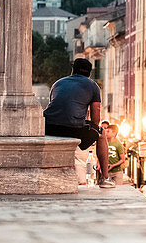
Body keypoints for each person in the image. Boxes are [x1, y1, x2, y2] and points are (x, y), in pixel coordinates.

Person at [43, 58, 114, 188]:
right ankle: (105, 178)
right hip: (72, 127)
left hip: (47, 126)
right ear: (89, 74)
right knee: (101, 133)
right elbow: (96, 115)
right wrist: (93, 131)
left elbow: (56, 105)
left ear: (72, 70)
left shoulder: (57, 83)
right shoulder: (93, 86)